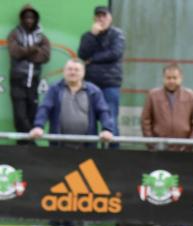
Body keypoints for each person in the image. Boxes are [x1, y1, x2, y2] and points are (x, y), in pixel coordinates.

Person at [30, 59, 114, 147]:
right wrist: (38, 126)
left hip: (87, 148)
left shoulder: (94, 91)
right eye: (69, 69)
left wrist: (107, 129)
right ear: (64, 71)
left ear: (83, 72)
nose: (72, 72)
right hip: (58, 147)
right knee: (57, 161)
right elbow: (45, 108)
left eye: (76, 70)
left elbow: (103, 111)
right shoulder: (54, 89)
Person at [78, 5, 125, 142]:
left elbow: (114, 53)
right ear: (94, 18)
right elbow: (82, 54)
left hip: (110, 85)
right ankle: (91, 159)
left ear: (110, 18)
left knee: (110, 124)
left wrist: (92, 59)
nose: (101, 19)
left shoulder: (117, 34)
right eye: (98, 16)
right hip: (90, 84)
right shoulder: (87, 36)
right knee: (90, 124)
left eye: (104, 16)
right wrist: (93, 36)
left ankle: (114, 159)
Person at [7, 4, 50, 145]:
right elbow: (14, 52)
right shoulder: (15, 33)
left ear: (36, 18)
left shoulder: (41, 36)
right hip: (18, 80)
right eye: (26, 17)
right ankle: (30, 145)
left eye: (32, 17)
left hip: (34, 81)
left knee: (32, 116)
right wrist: (33, 49)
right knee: (20, 117)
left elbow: (45, 56)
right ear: (22, 18)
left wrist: (25, 52)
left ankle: (26, 148)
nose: (29, 20)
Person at [141, 63, 193, 152]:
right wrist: (152, 145)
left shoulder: (190, 95)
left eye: (174, 78)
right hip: (159, 148)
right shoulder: (153, 95)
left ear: (181, 78)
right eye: (168, 78)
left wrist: (190, 145)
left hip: (184, 149)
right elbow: (145, 120)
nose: (171, 81)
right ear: (163, 78)